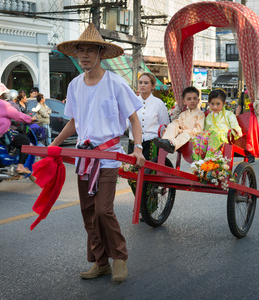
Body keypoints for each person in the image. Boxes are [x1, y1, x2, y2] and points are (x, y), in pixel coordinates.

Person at [52, 23, 145, 283]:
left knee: (103, 210)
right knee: (88, 212)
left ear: (100, 54)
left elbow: (134, 120)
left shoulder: (116, 83)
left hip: (109, 155)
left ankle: (120, 258)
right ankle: (100, 262)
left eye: (90, 50)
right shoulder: (74, 86)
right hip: (84, 157)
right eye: (80, 50)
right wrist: (55, 144)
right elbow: (74, 122)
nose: (83, 55)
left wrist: (137, 148)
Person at [127, 72, 169, 160]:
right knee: (131, 171)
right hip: (133, 144)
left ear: (153, 86)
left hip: (151, 145)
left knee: (149, 172)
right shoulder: (132, 101)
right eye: (140, 82)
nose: (142, 85)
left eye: (146, 83)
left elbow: (165, 126)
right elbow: (126, 123)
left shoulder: (159, 104)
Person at [192, 89, 242, 160]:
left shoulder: (229, 114)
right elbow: (205, 129)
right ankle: (198, 160)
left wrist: (237, 131)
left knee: (215, 135)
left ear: (224, 103)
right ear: (209, 103)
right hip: (210, 136)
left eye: (218, 104)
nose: (215, 107)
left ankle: (210, 159)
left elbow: (234, 125)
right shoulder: (208, 116)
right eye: (212, 104)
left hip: (223, 136)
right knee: (198, 137)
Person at [153, 86, 204, 153]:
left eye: (194, 98)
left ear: (198, 100)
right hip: (181, 133)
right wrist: (176, 128)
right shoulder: (183, 114)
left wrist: (184, 131)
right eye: (189, 99)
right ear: (184, 101)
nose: (192, 101)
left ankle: (172, 144)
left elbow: (199, 129)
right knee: (172, 125)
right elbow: (177, 124)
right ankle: (166, 141)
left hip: (192, 136)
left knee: (185, 134)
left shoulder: (200, 114)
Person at [236, 88, 259, 163]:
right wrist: (236, 118)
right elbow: (239, 107)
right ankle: (251, 157)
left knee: (258, 136)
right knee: (248, 138)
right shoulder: (243, 94)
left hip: (257, 117)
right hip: (246, 119)